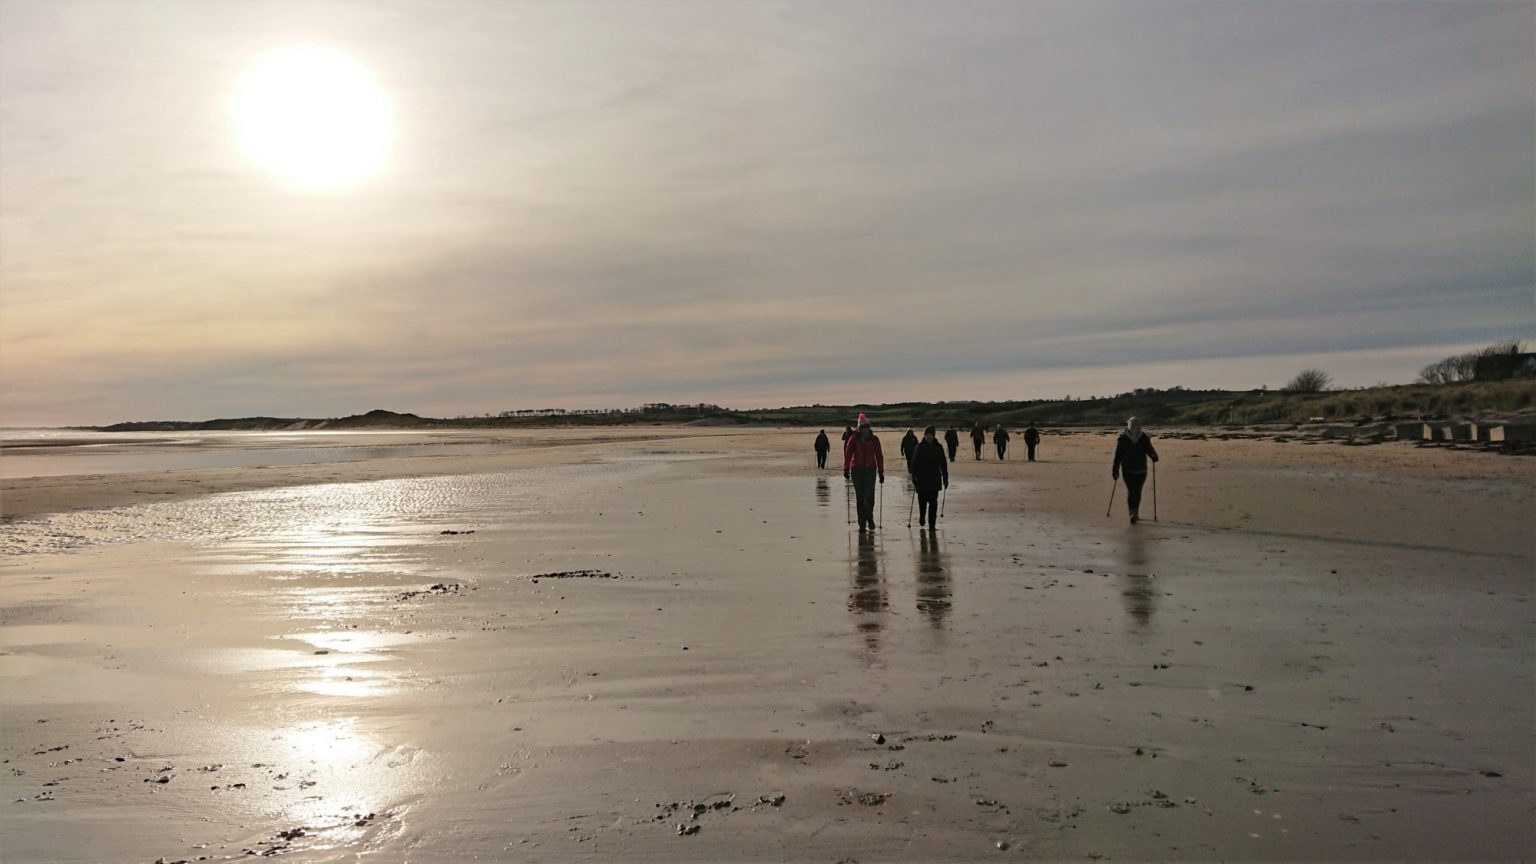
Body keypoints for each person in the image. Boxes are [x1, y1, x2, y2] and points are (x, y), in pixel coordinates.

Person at [1112, 416, 1160, 524]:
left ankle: (1136, 512)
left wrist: (1154, 456)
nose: (1135, 429)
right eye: (1133, 427)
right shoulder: (1123, 439)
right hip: (1127, 471)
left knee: (1138, 492)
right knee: (1132, 491)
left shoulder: (1144, 438)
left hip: (1141, 470)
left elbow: (1150, 450)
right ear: (1129, 427)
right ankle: (1132, 514)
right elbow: (1118, 457)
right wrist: (1115, 471)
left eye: (1137, 427)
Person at [843, 413, 885, 531]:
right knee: (860, 497)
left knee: (869, 496)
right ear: (859, 429)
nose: (865, 430)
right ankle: (862, 523)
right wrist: (846, 469)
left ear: (869, 427)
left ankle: (869, 517)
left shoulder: (874, 439)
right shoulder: (853, 439)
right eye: (863, 427)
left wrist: (881, 472)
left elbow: (879, 456)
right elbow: (848, 454)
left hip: (870, 470)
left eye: (867, 427)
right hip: (856, 469)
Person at [909, 425, 948, 529]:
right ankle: (922, 517)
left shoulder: (938, 447)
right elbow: (914, 463)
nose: (929, 436)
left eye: (930, 434)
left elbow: (943, 463)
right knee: (922, 503)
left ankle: (932, 524)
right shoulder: (920, 447)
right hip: (922, 479)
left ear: (934, 435)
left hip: (934, 479)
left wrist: (945, 477)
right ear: (925, 435)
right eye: (927, 434)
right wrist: (914, 477)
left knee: (933, 503)